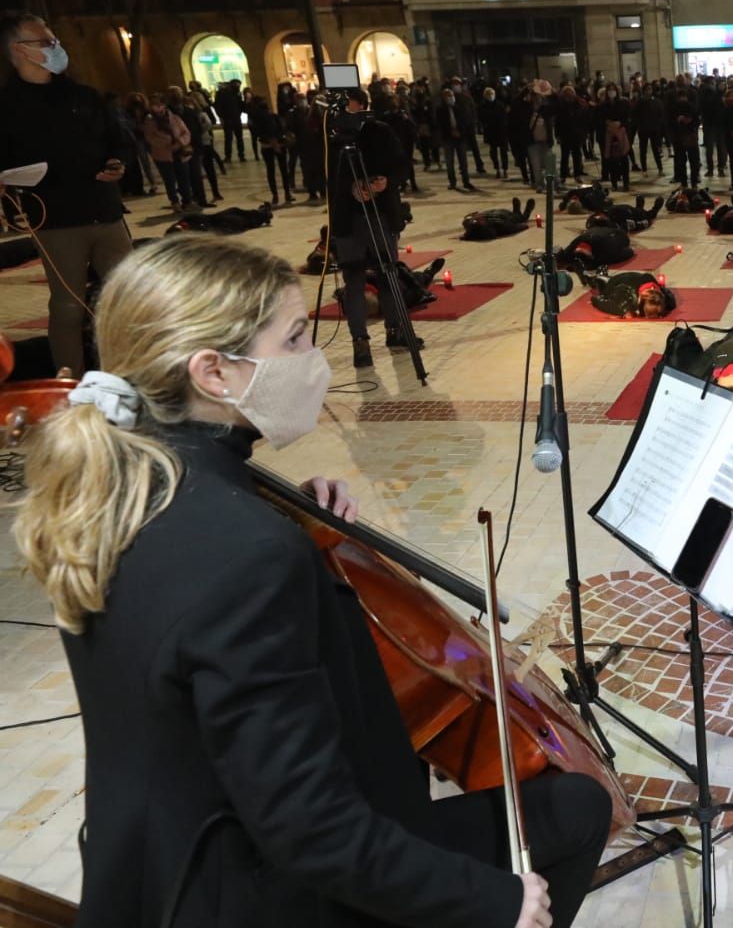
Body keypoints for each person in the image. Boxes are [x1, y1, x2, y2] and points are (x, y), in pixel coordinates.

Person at [14, 235, 608, 928]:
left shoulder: (126, 482)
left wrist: (293, 518)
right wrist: (496, 900)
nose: (312, 360)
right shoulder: (246, 551)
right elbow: (311, 832)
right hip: (254, 897)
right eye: (295, 338)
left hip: (153, 868)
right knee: (573, 810)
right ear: (214, 373)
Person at [0, 12, 134, 378]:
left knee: (129, 299)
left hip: (105, 212)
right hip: (56, 218)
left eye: (54, 39)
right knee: (69, 307)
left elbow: (119, 140)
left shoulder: (85, 96)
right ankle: (69, 384)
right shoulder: (8, 106)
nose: (54, 46)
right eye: (44, 41)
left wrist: (118, 162)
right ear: (19, 50)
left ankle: (133, 374)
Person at [329, 89, 418, 369]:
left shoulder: (380, 132)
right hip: (348, 220)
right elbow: (326, 176)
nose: (347, 112)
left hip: (381, 215)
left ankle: (396, 330)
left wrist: (385, 182)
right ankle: (360, 342)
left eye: (351, 106)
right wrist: (353, 188)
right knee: (354, 281)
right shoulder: (333, 138)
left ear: (363, 107)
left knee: (388, 274)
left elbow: (402, 166)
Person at [579, 269, 676, 318]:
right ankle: (595, 278)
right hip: (615, 283)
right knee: (602, 283)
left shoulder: (661, 297)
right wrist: (594, 300)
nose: (658, 316)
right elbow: (602, 302)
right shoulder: (627, 297)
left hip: (633, 278)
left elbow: (666, 296)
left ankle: (602, 275)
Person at [436, 86, 476, 192]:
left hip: (460, 138)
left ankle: (466, 181)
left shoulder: (459, 108)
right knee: (449, 162)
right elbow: (440, 124)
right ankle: (452, 182)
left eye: (451, 96)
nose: (450, 98)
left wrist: (460, 131)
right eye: (447, 96)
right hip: (448, 138)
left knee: (463, 161)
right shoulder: (440, 110)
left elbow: (465, 121)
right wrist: (451, 131)